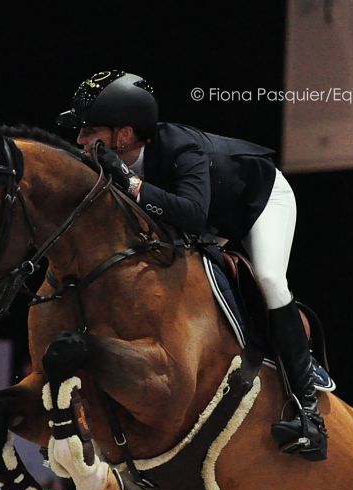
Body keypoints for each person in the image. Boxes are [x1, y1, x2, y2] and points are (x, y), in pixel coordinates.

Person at [57, 70, 326, 460]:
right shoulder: (108, 160)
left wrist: (130, 183)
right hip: (202, 218)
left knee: (269, 278)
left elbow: (193, 215)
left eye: (89, 130)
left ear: (125, 135)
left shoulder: (182, 149)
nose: (80, 141)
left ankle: (309, 415)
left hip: (257, 202)